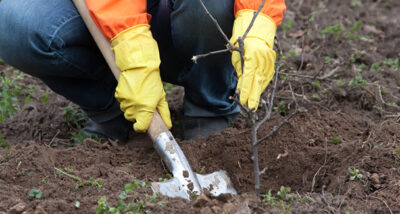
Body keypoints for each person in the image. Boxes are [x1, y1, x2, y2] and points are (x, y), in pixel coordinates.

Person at [0, 0, 285, 141]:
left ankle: (209, 107)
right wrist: (130, 42)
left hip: (183, 16)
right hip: (107, 13)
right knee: (12, 21)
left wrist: (256, 13)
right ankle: (114, 111)